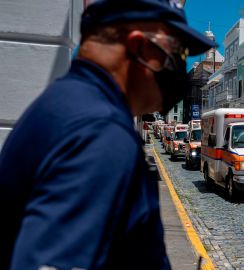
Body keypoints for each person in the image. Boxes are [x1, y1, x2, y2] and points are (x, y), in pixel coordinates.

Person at [0, 0, 214, 269]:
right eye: (176, 53)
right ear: (139, 48)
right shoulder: (101, 133)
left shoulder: (64, 103)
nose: (180, 67)